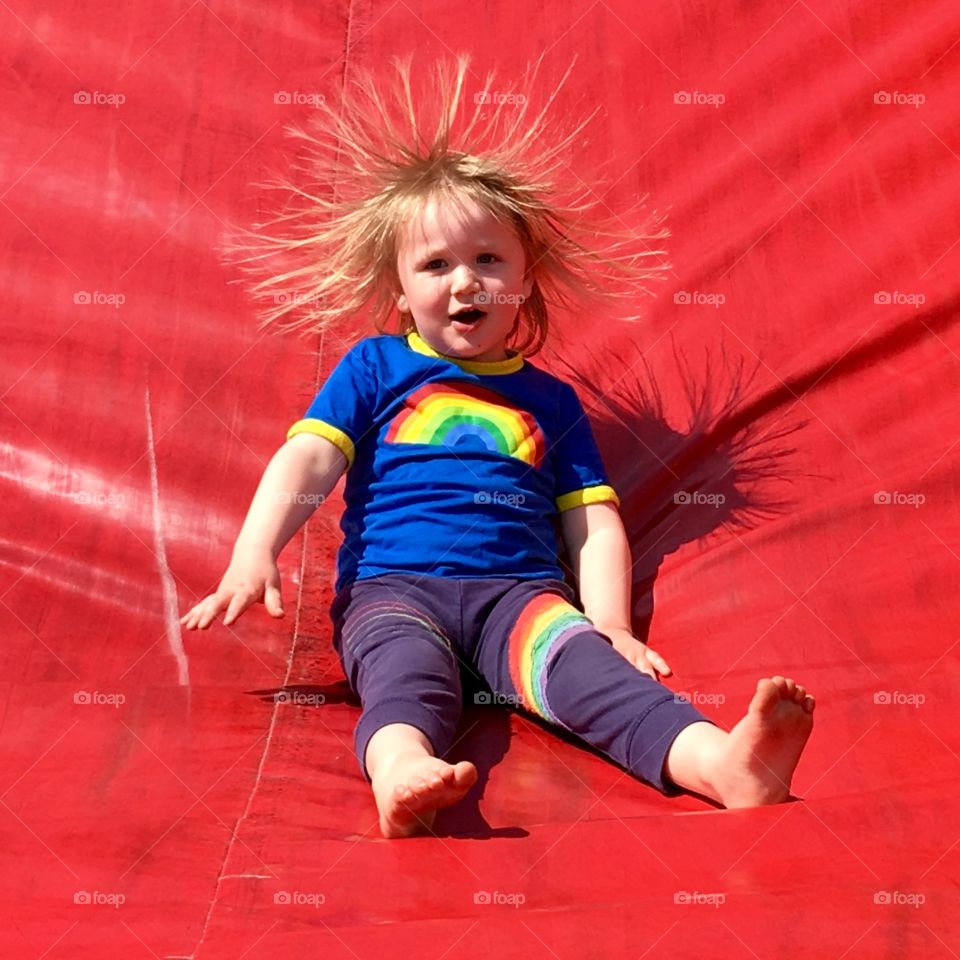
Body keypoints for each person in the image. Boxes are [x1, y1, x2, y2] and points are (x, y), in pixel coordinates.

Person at [180, 55, 814, 838]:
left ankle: (721, 764)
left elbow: (591, 521)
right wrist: (255, 550)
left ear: (525, 278)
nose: (464, 282)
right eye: (435, 264)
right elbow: (310, 458)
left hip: (519, 596)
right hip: (394, 590)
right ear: (400, 287)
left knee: (593, 678)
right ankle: (402, 768)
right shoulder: (375, 368)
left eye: (488, 260)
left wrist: (610, 624)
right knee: (404, 678)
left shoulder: (550, 402)